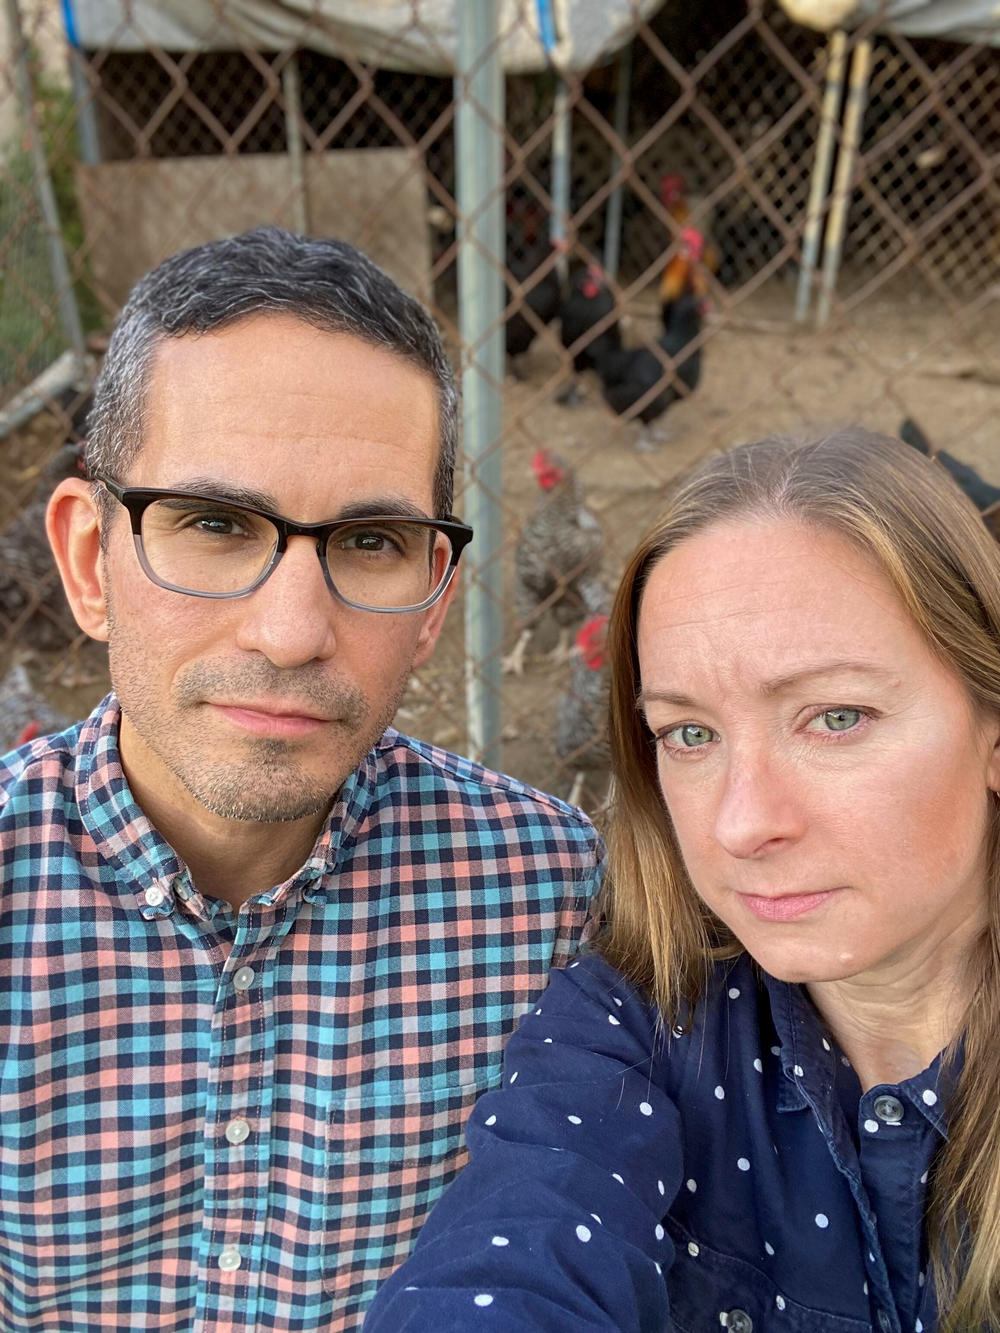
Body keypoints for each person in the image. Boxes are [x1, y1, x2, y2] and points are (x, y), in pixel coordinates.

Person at [0, 227, 602, 1332]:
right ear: (90, 561)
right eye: (217, 526)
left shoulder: (551, 901)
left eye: (368, 541)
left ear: (432, 601)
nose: (289, 633)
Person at [365, 426, 1000, 1333]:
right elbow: (513, 1253)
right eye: (688, 734)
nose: (741, 823)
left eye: (835, 716)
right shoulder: (639, 1024)